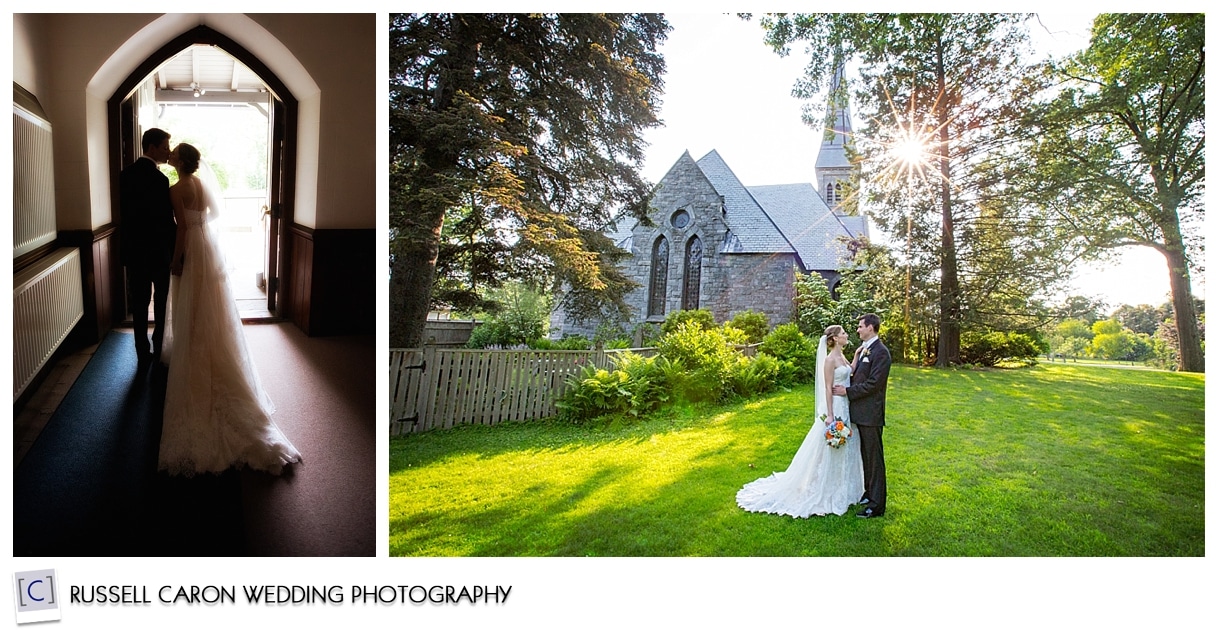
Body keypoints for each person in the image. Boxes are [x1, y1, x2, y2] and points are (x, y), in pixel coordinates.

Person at [157, 143, 301, 476]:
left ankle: (192, 344)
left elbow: (180, 226)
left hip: (190, 245)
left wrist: (176, 258)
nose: (171, 156)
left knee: (188, 300)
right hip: (206, 243)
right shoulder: (203, 185)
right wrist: (199, 227)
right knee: (210, 300)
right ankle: (209, 341)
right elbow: (214, 215)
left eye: (174, 153)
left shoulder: (176, 188)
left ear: (180, 161)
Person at [736, 325, 864, 517]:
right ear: (835, 338)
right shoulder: (829, 360)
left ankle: (845, 485)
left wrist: (856, 355)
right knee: (831, 446)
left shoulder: (842, 356)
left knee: (849, 444)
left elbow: (850, 370)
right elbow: (828, 388)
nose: (847, 335)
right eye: (843, 333)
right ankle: (825, 485)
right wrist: (830, 414)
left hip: (847, 404)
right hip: (836, 405)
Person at [119, 128, 177, 367]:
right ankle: (158, 343)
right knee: (161, 301)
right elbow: (166, 221)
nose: (168, 151)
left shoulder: (125, 175)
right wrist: (177, 251)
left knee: (140, 304)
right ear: (151, 148)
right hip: (158, 252)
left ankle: (142, 351)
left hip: (134, 252)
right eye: (165, 147)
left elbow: (124, 216)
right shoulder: (160, 180)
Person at [834, 313, 891, 518]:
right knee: (865, 456)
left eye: (860, 326)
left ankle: (877, 506)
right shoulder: (867, 350)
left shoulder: (881, 352)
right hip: (861, 413)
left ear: (870, 327)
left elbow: (874, 384)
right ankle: (868, 492)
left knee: (874, 459)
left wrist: (848, 392)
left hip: (871, 414)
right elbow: (858, 375)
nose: (857, 330)